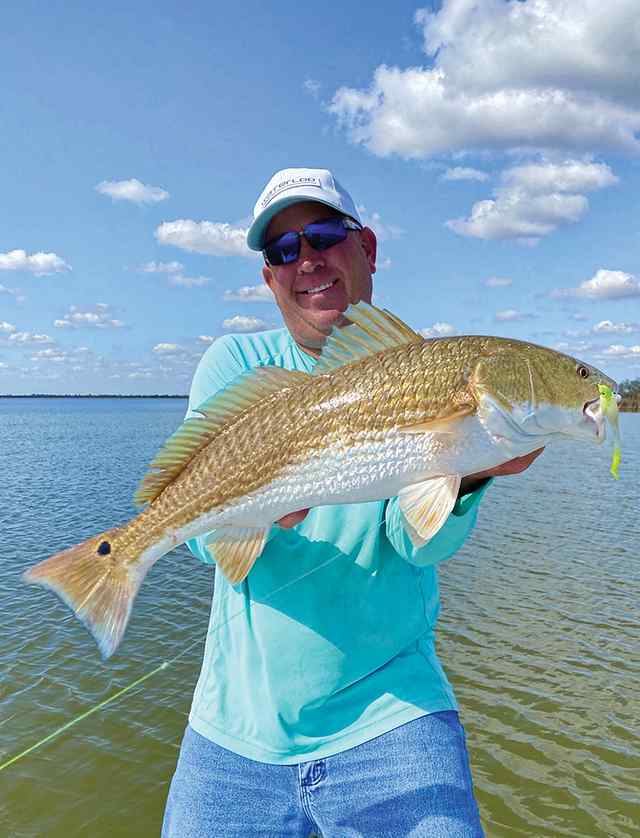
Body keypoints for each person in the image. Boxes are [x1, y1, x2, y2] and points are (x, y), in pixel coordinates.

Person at [162, 168, 543, 838]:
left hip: (393, 716)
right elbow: (206, 544)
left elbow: (416, 542)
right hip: (235, 732)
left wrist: (471, 473)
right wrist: (256, 505)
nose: (306, 258)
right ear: (270, 278)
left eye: (324, 234)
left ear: (367, 248)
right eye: (283, 249)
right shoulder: (235, 364)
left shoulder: (425, 369)